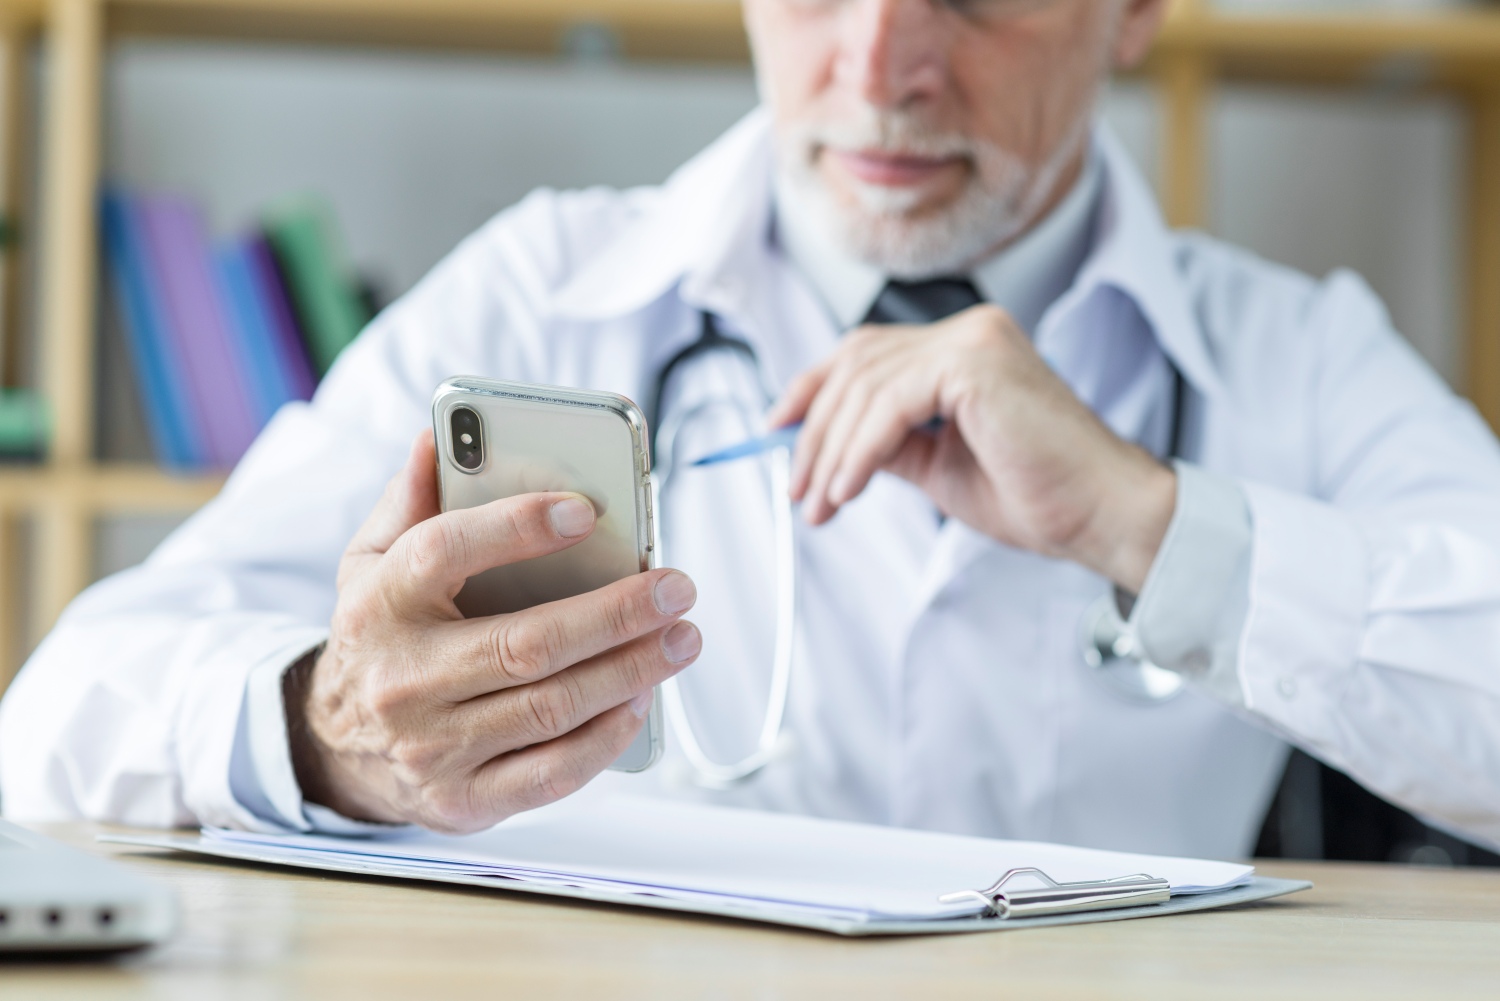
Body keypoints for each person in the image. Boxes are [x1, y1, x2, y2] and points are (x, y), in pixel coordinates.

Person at [4, 0, 1500, 859]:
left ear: (1135, 14)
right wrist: (335, 729)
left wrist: (1144, 522)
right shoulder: (549, 290)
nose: (880, 62)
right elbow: (57, 717)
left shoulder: (1288, 354)